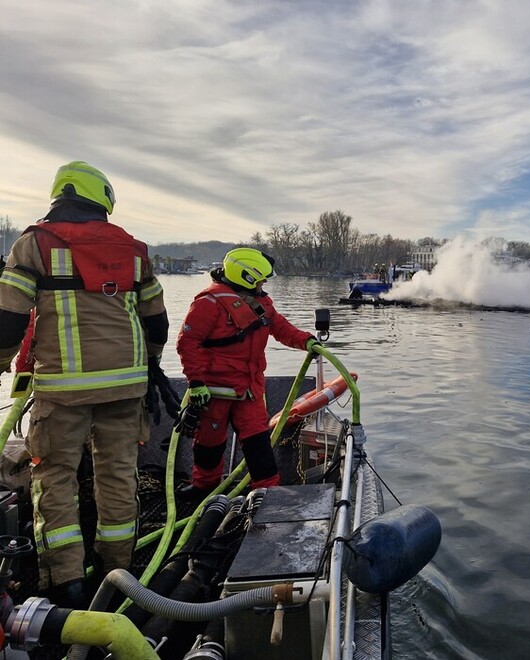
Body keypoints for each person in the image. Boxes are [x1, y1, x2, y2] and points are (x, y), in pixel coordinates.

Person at [0, 161, 169, 606]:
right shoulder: (135, 250)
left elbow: (9, 320)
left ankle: (67, 582)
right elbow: (158, 323)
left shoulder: (34, 244)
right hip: (127, 386)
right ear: (103, 199)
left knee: (55, 477)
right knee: (117, 476)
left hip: (63, 390)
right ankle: (117, 574)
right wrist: (149, 364)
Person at [176, 247, 319, 499]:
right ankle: (204, 487)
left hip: (249, 388)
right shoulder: (207, 304)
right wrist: (196, 382)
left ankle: (266, 492)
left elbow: (281, 328)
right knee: (209, 443)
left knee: (258, 443)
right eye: (261, 279)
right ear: (246, 277)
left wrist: (307, 341)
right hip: (215, 390)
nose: (264, 284)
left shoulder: (260, 302)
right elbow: (188, 343)